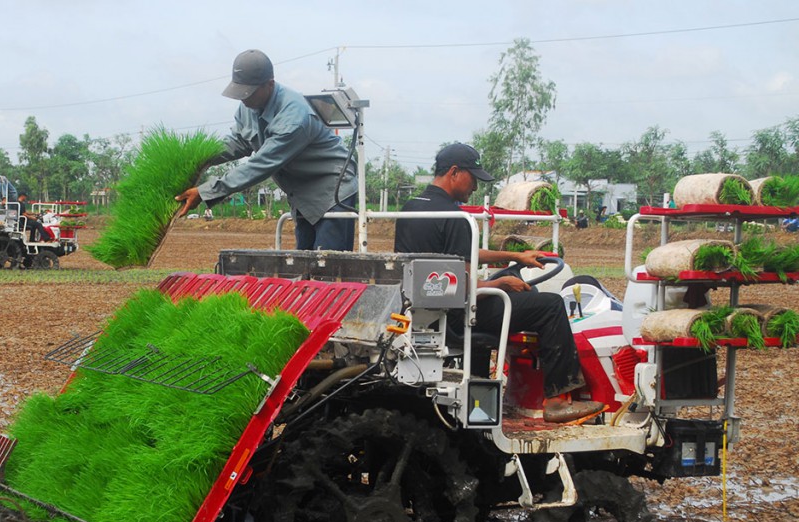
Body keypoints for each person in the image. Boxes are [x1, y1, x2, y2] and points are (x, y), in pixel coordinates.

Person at [394, 143, 603, 423]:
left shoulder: (413, 209)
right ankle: (556, 400)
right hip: (456, 317)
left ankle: (481, 378)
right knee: (551, 305)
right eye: (473, 179)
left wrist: (515, 256)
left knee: (509, 285)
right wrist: (500, 284)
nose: (475, 188)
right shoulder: (458, 218)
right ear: (455, 172)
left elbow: (459, 254)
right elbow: (464, 290)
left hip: (422, 312)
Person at [175, 49, 358, 251]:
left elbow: (261, 165)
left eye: (248, 92)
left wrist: (205, 191)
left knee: (327, 267)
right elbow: (238, 141)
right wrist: (197, 157)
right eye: (239, 91)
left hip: (332, 190)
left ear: (269, 84)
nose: (243, 99)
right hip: (302, 195)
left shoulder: (294, 117)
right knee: (304, 264)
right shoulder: (248, 106)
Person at [0, 170, 53, 242]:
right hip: (5, 199)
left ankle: (13, 223)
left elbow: (4, 189)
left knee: (11, 210)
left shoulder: (2, 179)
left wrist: (4, 199)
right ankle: (7, 223)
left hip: (11, 195)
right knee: (6, 210)